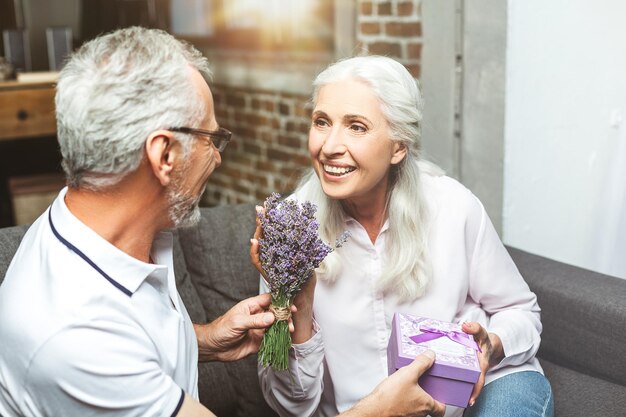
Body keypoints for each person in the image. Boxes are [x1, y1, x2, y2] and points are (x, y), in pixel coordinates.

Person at [0, 28, 444, 417]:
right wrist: (379, 411)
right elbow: (106, 353)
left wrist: (205, 340)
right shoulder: (74, 338)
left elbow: (132, 338)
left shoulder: (102, 230)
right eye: (213, 139)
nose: (217, 155)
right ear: (165, 156)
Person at [253, 56, 554, 417]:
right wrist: (298, 312)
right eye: (322, 122)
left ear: (399, 146)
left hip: (482, 394)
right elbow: (291, 406)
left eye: (356, 127)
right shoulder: (290, 232)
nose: (329, 146)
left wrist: (491, 346)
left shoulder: (453, 206)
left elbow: (520, 310)